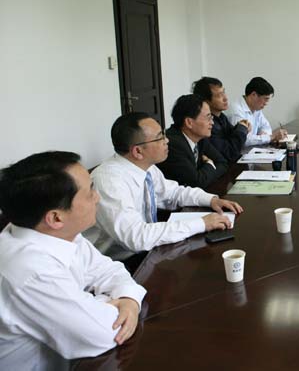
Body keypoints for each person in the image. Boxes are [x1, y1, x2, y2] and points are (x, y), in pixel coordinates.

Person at [0, 151, 147, 362]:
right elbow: (104, 332)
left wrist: (128, 299)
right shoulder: (30, 271)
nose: (97, 197)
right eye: (90, 192)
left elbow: (109, 271)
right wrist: (106, 304)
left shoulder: (56, 232)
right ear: (56, 218)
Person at [85, 112, 243, 264]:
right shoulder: (109, 181)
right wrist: (202, 223)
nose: (167, 141)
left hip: (147, 250)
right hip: (119, 262)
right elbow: (136, 238)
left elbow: (173, 193)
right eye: (160, 137)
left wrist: (211, 200)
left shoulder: (145, 166)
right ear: (138, 151)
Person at [157, 94, 229, 189]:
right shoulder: (173, 144)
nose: (212, 122)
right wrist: (209, 164)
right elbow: (197, 182)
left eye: (211, 118)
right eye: (208, 118)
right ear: (189, 122)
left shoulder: (200, 138)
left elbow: (223, 163)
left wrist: (204, 174)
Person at [192, 76, 250, 163]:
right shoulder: (207, 125)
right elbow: (230, 153)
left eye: (224, 92)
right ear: (206, 101)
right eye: (219, 95)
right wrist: (242, 129)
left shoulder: (221, 117)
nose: (225, 98)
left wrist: (241, 126)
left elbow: (232, 137)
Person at [226, 77, 287, 146]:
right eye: (265, 99)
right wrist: (270, 137)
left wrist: (264, 135)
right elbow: (244, 139)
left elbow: (266, 126)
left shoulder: (255, 108)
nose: (266, 103)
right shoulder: (236, 111)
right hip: (240, 151)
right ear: (254, 95)